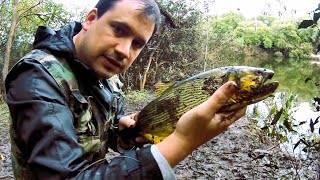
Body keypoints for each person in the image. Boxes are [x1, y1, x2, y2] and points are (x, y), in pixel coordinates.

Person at [5, 0, 246, 179]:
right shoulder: (37, 77)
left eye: (137, 44)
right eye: (118, 30)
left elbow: (91, 135)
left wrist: (123, 135)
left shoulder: (107, 76)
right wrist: (182, 142)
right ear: (90, 19)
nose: (124, 50)